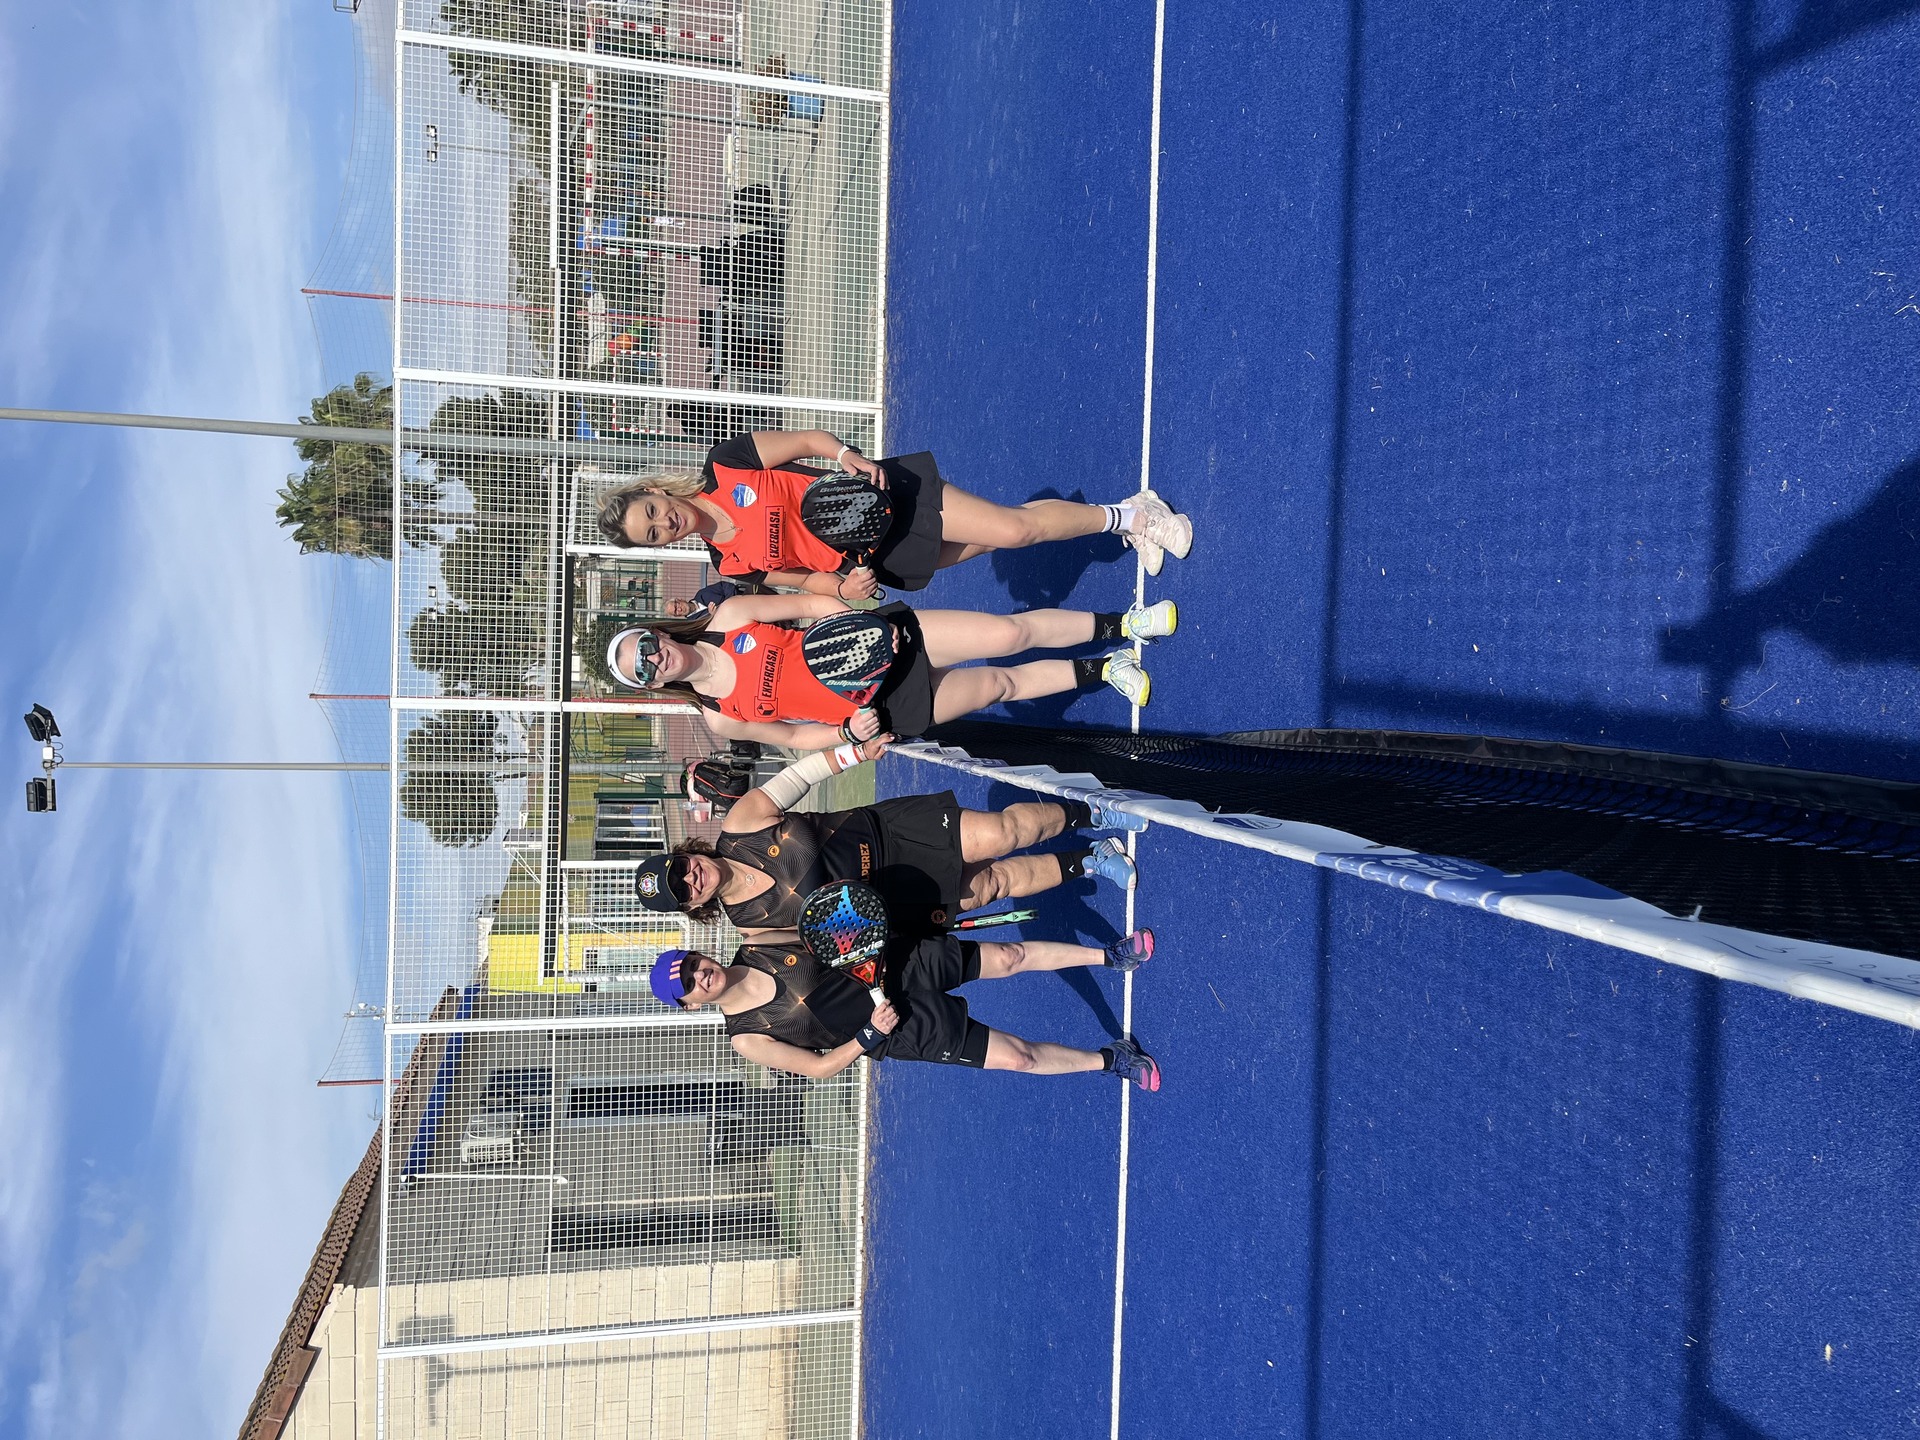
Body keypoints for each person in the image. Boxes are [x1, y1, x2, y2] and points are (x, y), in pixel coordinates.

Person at [594, 428, 1195, 600]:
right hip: (877, 557)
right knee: (1003, 534)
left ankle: (1134, 517)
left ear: (656, 491)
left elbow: (806, 441)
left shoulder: (726, 464)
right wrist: (847, 589)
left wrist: (847, 457)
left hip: (880, 496)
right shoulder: (729, 564)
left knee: (1013, 530)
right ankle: (1117, 516)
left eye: (652, 511)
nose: (663, 523)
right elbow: (804, 580)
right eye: (652, 535)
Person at [630, 738, 1143, 938]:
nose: (692, 879)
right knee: (993, 885)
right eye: (683, 890)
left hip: (888, 832)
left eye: (681, 869)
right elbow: (827, 942)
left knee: (1001, 832)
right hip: (893, 899)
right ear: (692, 906)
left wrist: (854, 751)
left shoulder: (740, 825)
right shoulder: (749, 925)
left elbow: (800, 774)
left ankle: (1090, 811)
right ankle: (1091, 860)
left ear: (685, 854)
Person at [603, 590, 1175, 750]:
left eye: (646, 647)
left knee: (1008, 634)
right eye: (643, 671)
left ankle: (1125, 623)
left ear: (657, 633)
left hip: (884, 643)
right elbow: (795, 738)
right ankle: (1108, 670)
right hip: (880, 709)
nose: (654, 660)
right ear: (654, 686)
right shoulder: (720, 717)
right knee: (1001, 684)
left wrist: (864, 627)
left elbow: (810, 605)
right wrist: (848, 734)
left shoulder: (729, 616)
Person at [647, 933, 1161, 1089]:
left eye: (691, 964)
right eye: (687, 985)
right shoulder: (746, 1036)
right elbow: (818, 1067)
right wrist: (868, 1036)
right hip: (894, 1029)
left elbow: (825, 927)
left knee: (1009, 956)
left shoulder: (757, 944)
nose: (699, 975)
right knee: (1018, 1058)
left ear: (699, 954)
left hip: (900, 965)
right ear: (689, 1004)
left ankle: (1110, 955)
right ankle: (1112, 1059)